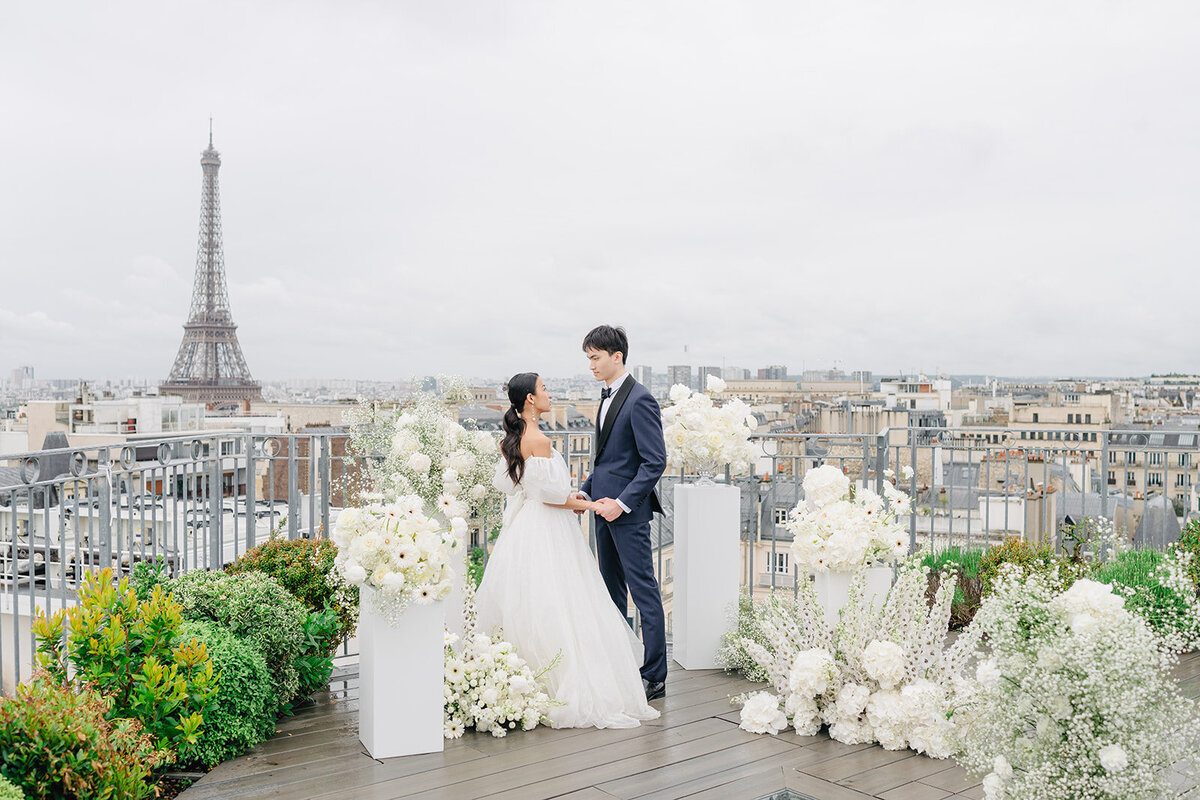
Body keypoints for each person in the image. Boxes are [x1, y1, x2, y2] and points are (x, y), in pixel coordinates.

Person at [476, 372, 660, 729]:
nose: (549, 393)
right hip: (548, 526)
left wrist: (574, 499)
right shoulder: (540, 440)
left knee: (534, 603)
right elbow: (550, 496)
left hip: (527, 525)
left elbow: (526, 488)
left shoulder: (515, 438)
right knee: (564, 599)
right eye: (543, 388)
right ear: (530, 399)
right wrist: (590, 506)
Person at [577, 325, 668, 701]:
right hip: (600, 508)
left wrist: (622, 503)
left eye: (596, 358)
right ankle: (619, 664)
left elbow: (654, 461)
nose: (591, 366)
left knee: (643, 592)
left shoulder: (641, 399)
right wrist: (585, 489)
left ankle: (655, 676)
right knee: (610, 590)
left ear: (618, 357)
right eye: (588, 359)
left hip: (626, 514)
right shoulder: (607, 397)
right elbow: (608, 460)